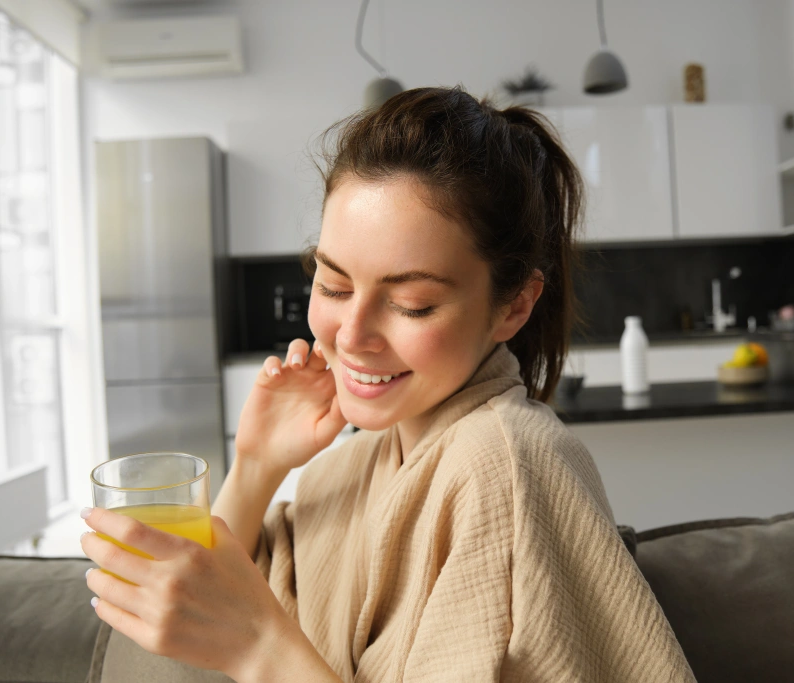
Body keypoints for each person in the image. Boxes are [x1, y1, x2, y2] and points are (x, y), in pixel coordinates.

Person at [80, 86, 696, 682]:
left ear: (513, 306)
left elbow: (248, 631)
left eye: (412, 304)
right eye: (333, 286)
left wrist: (260, 648)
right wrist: (256, 464)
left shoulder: (505, 466)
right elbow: (214, 606)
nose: (351, 335)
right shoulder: (349, 468)